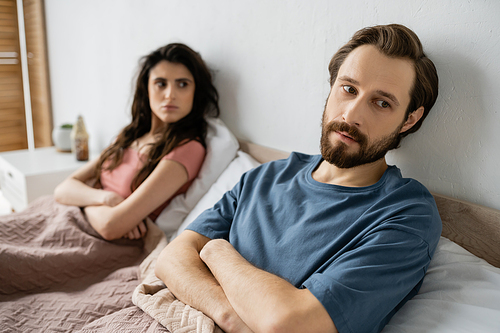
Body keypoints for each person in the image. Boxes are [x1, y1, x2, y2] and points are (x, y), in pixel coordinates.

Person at [155, 24, 441, 333]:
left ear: (409, 119)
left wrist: (216, 251)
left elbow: (291, 323)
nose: (351, 115)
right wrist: (230, 317)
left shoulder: (406, 213)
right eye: (348, 89)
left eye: (382, 103)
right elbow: (171, 260)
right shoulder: (268, 176)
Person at [54, 43, 220, 241]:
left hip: (104, 242)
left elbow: (111, 226)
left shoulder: (186, 149)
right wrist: (105, 198)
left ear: (196, 92)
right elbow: (63, 189)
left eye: (182, 84)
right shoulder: (129, 136)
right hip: (68, 218)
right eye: (161, 83)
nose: (170, 95)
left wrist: (83, 201)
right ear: (146, 88)